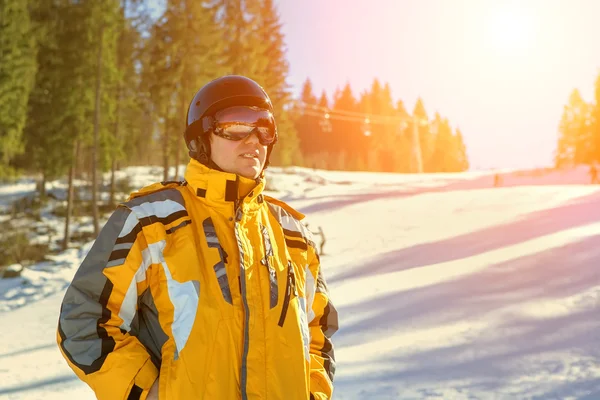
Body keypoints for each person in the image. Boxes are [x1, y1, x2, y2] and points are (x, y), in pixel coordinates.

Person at [56, 75, 338, 400]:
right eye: (237, 125)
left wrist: (315, 393)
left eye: (264, 126)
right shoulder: (151, 219)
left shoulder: (293, 233)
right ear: (201, 138)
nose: (254, 139)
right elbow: (83, 317)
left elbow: (319, 332)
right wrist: (147, 392)